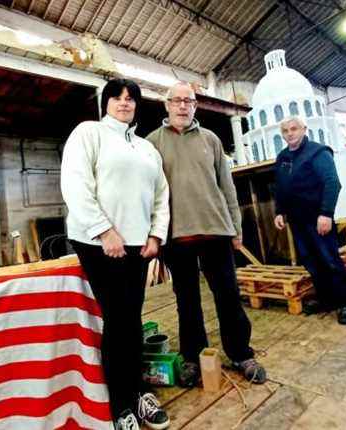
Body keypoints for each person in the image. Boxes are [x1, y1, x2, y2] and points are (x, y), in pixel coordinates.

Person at [61, 78, 170, 430]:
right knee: (120, 320)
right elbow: (75, 183)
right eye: (117, 97)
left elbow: (160, 195)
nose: (124, 103)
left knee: (132, 319)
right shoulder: (88, 133)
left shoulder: (146, 148)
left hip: (138, 243)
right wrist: (103, 230)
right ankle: (122, 405)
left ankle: (137, 393)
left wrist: (156, 234)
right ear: (106, 102)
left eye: (131, 98)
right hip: (99, 243)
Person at [146, 82, 266, 388]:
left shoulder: (211, 140)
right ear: (167, 105)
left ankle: (241, 353)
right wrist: (154, 235)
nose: (183, 106)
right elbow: (147, 193)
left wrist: (236, 229)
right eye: (177, 101)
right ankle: (192, 357)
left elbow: (227, 187)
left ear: (195, 106)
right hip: (176, 236)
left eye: (189, 101)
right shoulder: (151, 143)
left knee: (228, 296)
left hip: (216, 232)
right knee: (187, 301)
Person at [272, 116, 346, 325]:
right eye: (285, 131)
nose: (290, 133)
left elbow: (332, 183)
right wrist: (279, 211)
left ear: (304, 129)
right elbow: (281, 188)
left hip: (318, 218)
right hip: (297, 220)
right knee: (311, 261)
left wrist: (326, 213)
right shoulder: (282, 157)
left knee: (329, 260)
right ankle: (327, 299)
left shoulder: (318, 152)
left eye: (294, 129)